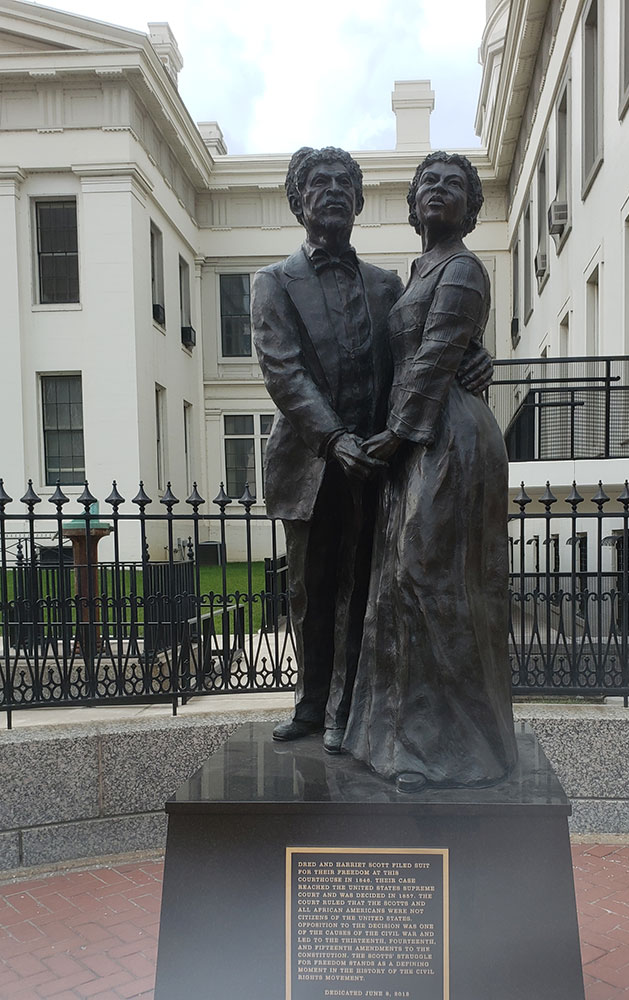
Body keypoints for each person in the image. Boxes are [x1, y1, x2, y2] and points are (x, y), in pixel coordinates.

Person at [252, 147, 491, 754]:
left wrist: (475, 357)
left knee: (364, 591)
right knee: (310, 591)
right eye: (318, 184)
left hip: (384, 464)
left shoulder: (391, 284)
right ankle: (310, 705)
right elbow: (284, 373)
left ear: (359, 202)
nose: (331, 192)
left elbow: (426, 343)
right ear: (298, 200)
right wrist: (334, 439)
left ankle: (348, 710)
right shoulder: (273, 283)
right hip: (315, 459)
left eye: (343, 184)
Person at [342, 152, 518, 789]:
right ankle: (396, 745)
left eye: (454, 186)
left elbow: (440, 351)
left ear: (470, 206)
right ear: (413, 204)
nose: (440, 192)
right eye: (429, 184)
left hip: (446, 437)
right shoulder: (419, 270)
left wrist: (392, 436)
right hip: (415, 438)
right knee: (398, 587)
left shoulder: (465, 267)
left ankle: (456, 749)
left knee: (429, 578)